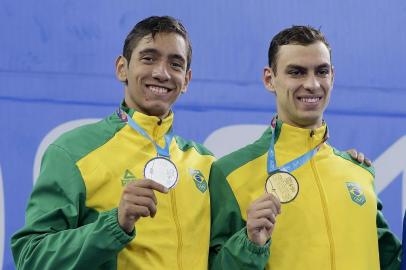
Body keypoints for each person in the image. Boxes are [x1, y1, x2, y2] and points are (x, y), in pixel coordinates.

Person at [11, 16, 217, 270]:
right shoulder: (73, 151)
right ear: (122, 68)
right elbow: (31, 257)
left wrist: (251, 242)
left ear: (186, 80)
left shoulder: (206, 163)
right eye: (148, 58)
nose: (161, 73)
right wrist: (115, 224)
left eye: (175, 64)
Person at [209, 25, 401, 270]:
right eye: (297, 72)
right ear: (270, 79)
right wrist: (249, 243)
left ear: (332, 76)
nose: (312, 84)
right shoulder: (230, 173)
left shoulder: (359, 173)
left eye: (321, 71)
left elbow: (394, 262)